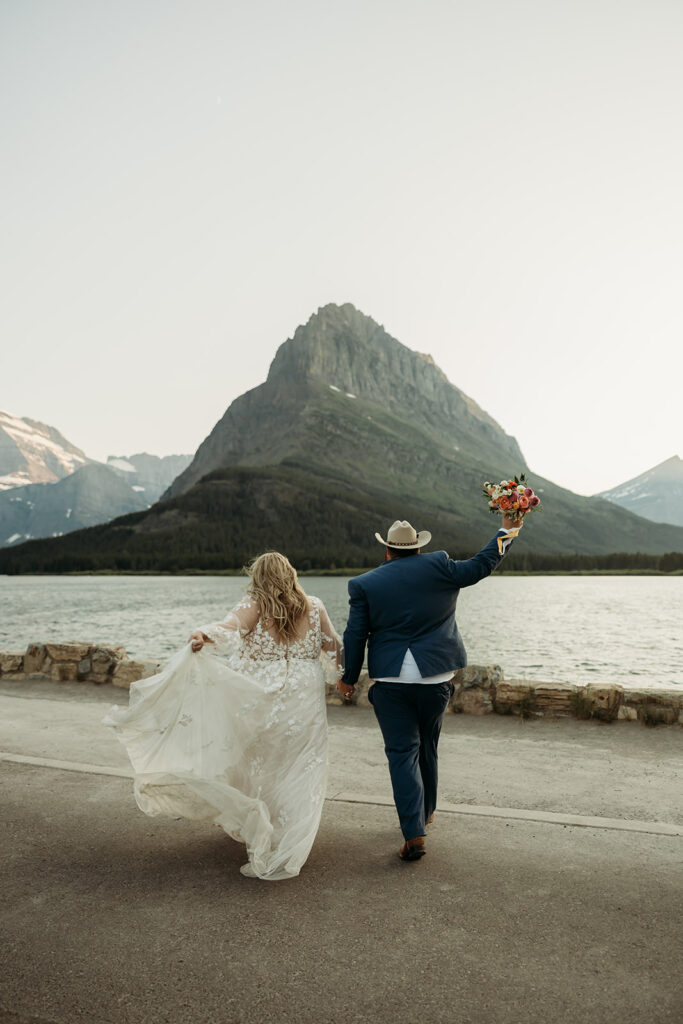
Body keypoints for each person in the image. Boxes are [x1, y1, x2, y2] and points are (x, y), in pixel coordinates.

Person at [104, 551, 341, 881]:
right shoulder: (314, 606)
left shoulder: (255, 604)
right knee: (300, 763)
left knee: (256, 760)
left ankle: (260, 823)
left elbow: (229, 628)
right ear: (291, 573)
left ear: (257, 577)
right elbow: (333, 648)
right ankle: (290, 833)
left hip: (261, 694)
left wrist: (203, 634)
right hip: (304, 696)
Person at [338, 515, 522, 861]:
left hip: (391, 681)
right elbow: (483, 563)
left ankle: (414, 832)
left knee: (401, 754)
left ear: (387, 550)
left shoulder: (364, 584)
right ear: (419, 547)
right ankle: (427, 813)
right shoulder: (439, 566)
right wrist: (508, 530)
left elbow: (355, 635)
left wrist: (348, 679)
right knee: (429, 747)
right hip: (436, 678)